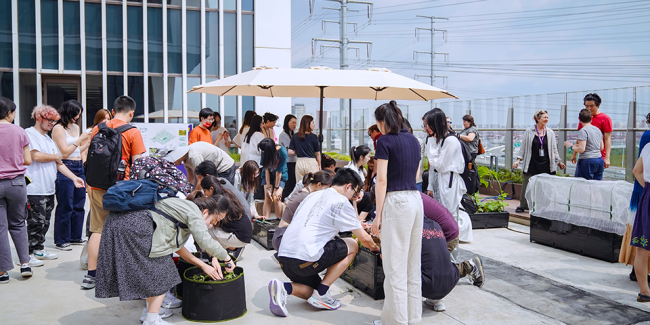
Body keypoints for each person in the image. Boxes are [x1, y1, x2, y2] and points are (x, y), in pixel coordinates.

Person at [95, 196, 234, 325]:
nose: (209, 226)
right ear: (205, 212)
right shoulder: (194, 212)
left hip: (123, 224)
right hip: (134, 228)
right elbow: (205, 241)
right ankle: (151, 320)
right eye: (211, 221)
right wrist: (227, 258)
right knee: (164, 273)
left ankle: (150, 312)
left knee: (155, 270)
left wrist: (205, 265)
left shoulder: (183, 211)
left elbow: (177, 248)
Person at [269, 169, 380, 317]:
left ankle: (284, 288)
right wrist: (377, 249)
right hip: (304, 258)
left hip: (284, 258)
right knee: (352, 244)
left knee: (312, 291)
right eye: (354, 193)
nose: (354, 197)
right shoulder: (340, 201)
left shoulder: (312, 196)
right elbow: (365, 240)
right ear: (348, 186)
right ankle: (322, 293)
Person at [83, 95, 146, 290]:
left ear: (112, 110)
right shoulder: (133, 132)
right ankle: (122, 274)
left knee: (98, 230)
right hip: (122, 189)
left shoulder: (97, 129)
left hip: (96, 186)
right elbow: (138, 165)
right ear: (131, 113)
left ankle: (91, 275)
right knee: (124, 230)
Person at [370, 100, 423, 325]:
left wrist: (378, 215)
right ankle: (413, 318)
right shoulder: (414, 140)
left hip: (396, 201)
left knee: (394, 266)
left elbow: (381, 180)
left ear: (383, 122)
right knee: (412, 264)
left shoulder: (384, 141)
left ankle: (396, 321)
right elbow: (418, 175)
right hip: (415, 200)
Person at [25, 105, 85, 261]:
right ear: (39, 118)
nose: (52, 124)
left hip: (48, 187)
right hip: (34, 188)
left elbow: (60, 163)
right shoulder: (28, 134)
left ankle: (39, 249)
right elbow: (35, 156)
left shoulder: (48, 139)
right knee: (34, 223)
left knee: (45, 222)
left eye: (54, 121)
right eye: (49, 121)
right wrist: (55, 157)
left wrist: (74, 177)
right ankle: (27, 254)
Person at [419, 192, 484, 312]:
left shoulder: (405, 200)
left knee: (432, 266)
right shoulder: (410, 195)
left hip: (447, 235)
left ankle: (469, 266)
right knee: (431, 265)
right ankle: (435, 298)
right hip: (442, 231)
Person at [424, 108, 467, 263]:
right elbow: (433, 168)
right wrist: (430, 186)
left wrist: (430, 144)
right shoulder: (439, 140)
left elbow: (440, 165)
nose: (426, 129)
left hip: (448, 183)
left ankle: (452, 260)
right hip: (439, 181)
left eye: (427, 125)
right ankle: (442, 256)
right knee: (438, 219)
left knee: (449, 219)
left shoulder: (450, 141)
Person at [0, 97, 33, 283]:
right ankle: (25, 264)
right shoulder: (19, 131)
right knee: (18, 224)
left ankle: (3, 272)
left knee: (0, 228)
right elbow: (27, 160)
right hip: (16, 183)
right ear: (8, 113)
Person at [51, 100, 90, 250]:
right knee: (65, 204)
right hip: (65, 166)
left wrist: (88, 141)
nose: (78, 117)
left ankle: (75, 236)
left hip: (78, 165)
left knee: (79, 204)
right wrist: (80, 140)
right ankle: (61, 240)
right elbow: (65, 152)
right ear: (69, 112)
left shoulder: (76, 127)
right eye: (76, 114)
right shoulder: (58, 128)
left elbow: (77, 150)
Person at [513, 110, 565, 213]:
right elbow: (523, 147)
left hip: (546, 163)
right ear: (538, 119)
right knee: (527, 184)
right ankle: (523, 206)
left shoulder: (550, 132)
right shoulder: (529, 131)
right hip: (532, 162)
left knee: (546, 187)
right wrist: (518, 160)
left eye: (547, 117)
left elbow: (554, 149)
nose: (546, 119)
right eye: (544, 117)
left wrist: (558, 161)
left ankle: (544, 206)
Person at [272, 171, 335, 253]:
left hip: (279, 236)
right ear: (318, 185)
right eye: (326, 189)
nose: (325, 192)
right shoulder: (307, 198)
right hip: (284, 239)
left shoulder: (300, 191)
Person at [623, 113, 650, 283]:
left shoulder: (646, 136)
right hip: (644, 188)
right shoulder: (648, 137)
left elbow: (637, 169)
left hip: (643, 188)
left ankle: (638, 271)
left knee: (640, 232)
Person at [200, 176, 252, 259]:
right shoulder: (226, 193)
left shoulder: (219, 201)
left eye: (205, 191)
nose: (204, 194)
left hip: (239, 237)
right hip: (245, 234)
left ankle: (221, 252)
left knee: (206, 231)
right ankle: (221, 254)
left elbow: (214, 222)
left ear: (211, 188)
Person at [163, 141, 236, 186]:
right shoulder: (185, 160)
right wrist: (189, 192)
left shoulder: (193, 156)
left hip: (225, 167)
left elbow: (202, 179)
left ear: (177, 156)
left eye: (172, 161)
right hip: (215, 169)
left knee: (225, 193)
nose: (174, 164)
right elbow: (191, 180)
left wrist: (196, 194)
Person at [630, 143, 650, 302]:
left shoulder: (648, 147)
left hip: (648, 197)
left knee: (643, 249)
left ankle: (644, 292)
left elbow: (636, 171)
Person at [564, 109, 604, 180]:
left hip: (587, 161)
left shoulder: (583, 131)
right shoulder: (597, 130)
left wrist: (570, 146)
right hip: (599, 160)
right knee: (597, 186)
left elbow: (581, 149)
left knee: (582, 186)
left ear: (579, 119)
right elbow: (601, 147)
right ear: (591, 118)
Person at [575, 93, 612, 169]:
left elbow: (607, 139)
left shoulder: (605, 118)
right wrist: (575, 154)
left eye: (591, 106)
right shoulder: (584, 117)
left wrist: (607, 158)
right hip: (584, 156)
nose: (589, 108)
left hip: (599, 155)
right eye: (586, 106)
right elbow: (580, 138)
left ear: (598, 105)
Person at [258, 138, 288, 220]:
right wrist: (268, 186)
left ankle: (278, 222)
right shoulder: (265, 150)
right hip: (268, 175)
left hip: (280, 175)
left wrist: (276, 188)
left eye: (264, 151)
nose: (262, 152)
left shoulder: (283, 152)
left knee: (276, 197)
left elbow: (279, 173)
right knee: (267, 197)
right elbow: (266, 169)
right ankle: (265, 220)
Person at [289, 115, 321, 182]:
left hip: (299, 162)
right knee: (312, 183)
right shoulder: (314, 137)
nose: (314, 125)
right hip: (311, 163)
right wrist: (319, 165)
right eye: (313, 123)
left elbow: (289, 151)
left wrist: (299, 152)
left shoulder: (295, 136)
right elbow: (318, 154)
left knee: (300, 185)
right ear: (307, 124)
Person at [279, 114, 298, 199]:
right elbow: (290, 150)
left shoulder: (291, 134)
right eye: (293, 122)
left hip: (293, 161)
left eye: (296, 123)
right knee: (289, 184)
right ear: (287, 122)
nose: (295, 125)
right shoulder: (284, 135)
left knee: (292, 183)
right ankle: (283, 201)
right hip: (287, 162)